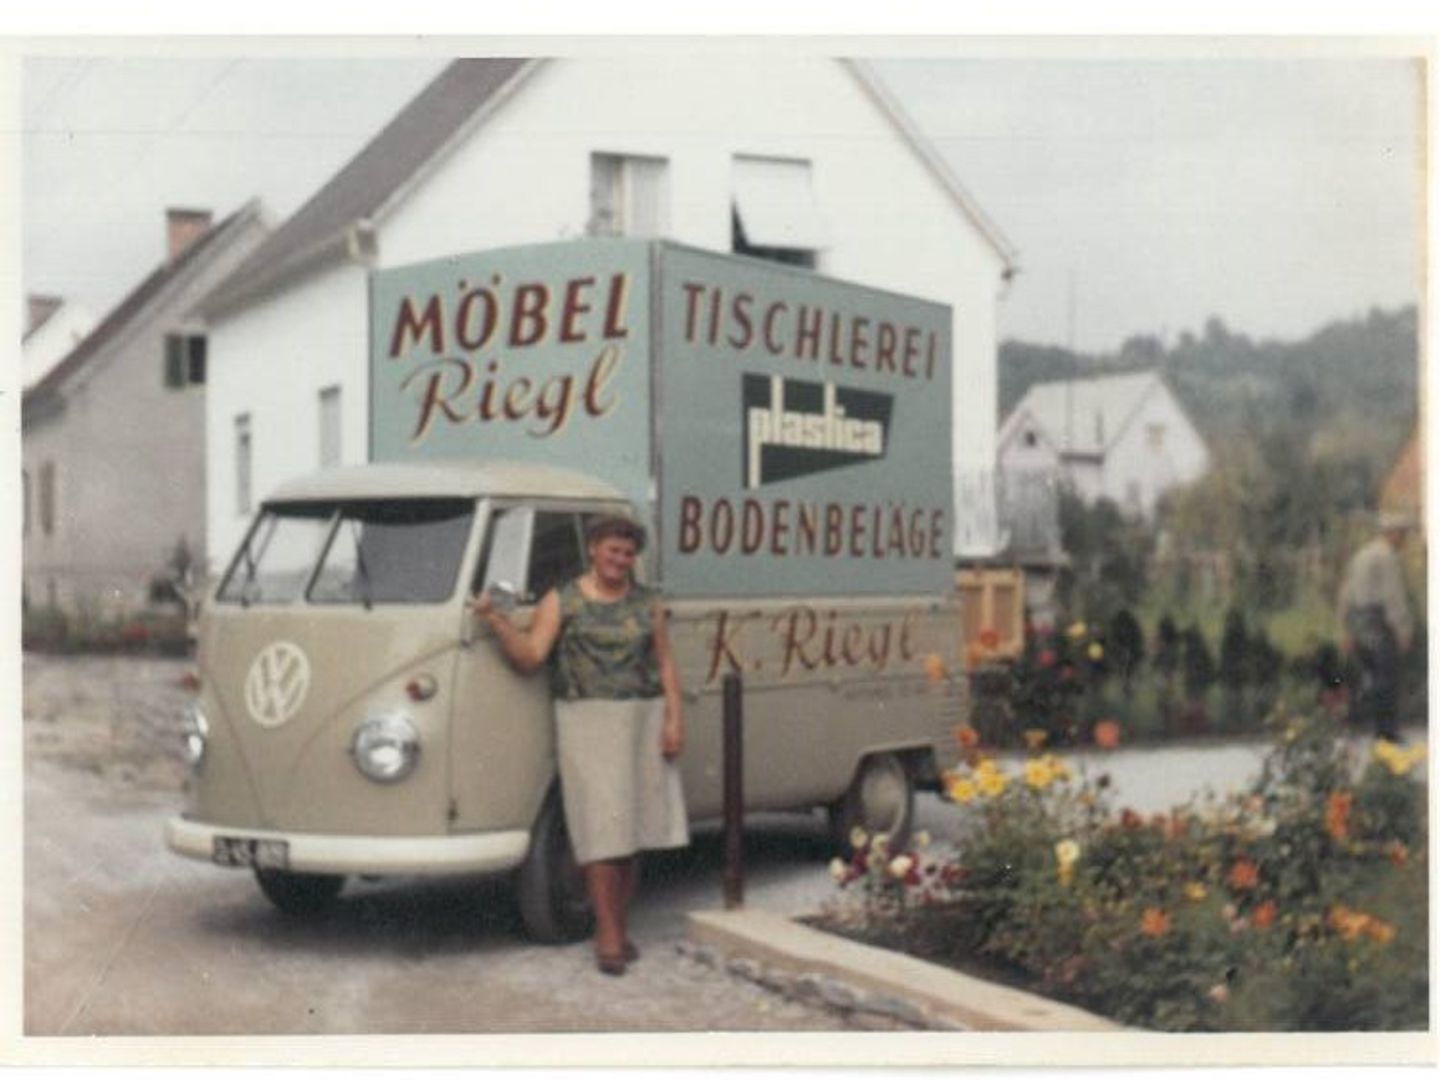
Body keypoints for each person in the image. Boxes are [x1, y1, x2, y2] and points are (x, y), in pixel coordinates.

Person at [471, 515, 687, 975]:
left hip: (642, 718)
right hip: (588, 720)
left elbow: (665, 663)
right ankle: (607, 934)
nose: (620, 560)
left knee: (635, 830)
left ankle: (618, 927)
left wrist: (673, 720)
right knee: (602, 830)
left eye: (627, 553)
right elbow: (531, 656)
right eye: (612, 550)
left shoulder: (647, 603)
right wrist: (495, 620)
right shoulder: (563, 599)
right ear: (593, 549)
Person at [1336, 510, 1416, 742]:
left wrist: (1345, 629)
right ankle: (1386, 732)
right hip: (1379, 621)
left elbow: (1346, 593)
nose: (1404, 540)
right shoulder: (1387, 557)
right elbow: (1392, 596)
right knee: (1387, 677)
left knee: (1368, 676)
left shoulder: (1361, 555)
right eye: (1402, 534)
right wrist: (1402, 629)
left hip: (1358, 620)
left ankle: (1359, 724)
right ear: (1393, 534)